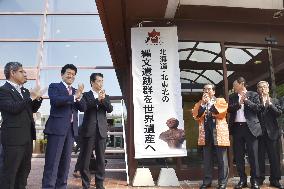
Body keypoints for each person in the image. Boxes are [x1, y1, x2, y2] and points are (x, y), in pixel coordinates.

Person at [42, 64, 86, 189]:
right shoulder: (54, 86)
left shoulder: (75, 92)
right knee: (52, 163)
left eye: (73, 74)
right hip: (56, 130)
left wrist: (79, 96)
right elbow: (56, 101)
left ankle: (61, 186)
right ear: (62, 74)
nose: (71, 76)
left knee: (65, 164)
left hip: (71, 132)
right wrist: (73, 97)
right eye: (68, 73)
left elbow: (83, 108)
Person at [0, 62, 43, 188]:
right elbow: (13, 108)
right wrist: (30, 97)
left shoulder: (24, 91)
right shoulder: (3, 90)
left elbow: (31, 109)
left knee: (24, 173)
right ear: (12, 73)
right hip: (13, 140)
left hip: (27, 138)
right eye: (22, 71)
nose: (25, 74)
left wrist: (38, 99)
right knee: (9, 173)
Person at [192, 83, 230, 189]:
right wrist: (204, 105)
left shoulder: (220, 101)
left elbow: (220, 113)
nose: (206, 91)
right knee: (207, 159)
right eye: (205, 89)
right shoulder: (200, 103)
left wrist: (209, 102)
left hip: (218, 132)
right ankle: (207, 181)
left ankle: (222, 183)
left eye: (209, 89)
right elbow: (196, 115)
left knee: (222, 159)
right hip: (206, 133)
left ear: (214, 91)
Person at [79, 73, 113, 189]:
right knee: (85, 160)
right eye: (98, 81)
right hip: (88, 130)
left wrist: (103, 100)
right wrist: (97, 100)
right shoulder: (86, 95)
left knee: (101, 159)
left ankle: (99, 184)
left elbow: (110, 109)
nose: (101, 83)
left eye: (102, 81)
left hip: (101, 131)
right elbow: (84, 107)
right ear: (92, 82)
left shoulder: (105, 95)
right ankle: (86, 184)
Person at [228, 77, 262, 189]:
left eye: (234, 85)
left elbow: (258, 108)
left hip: (250, 128)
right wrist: (239, 103)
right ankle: (242, 180)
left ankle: (255, 181)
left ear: (241, 84)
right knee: (238, 156)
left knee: (253, 155)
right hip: (237, 128)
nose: (233, 87)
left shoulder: (253, 94)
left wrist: (246, 101)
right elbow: (229, 109)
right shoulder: (232, 97)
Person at [256, 81, 284, 188]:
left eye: (264, 87)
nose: (262, 89)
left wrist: (270, 104)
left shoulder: (275, 101)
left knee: (274, 158)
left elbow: (278, 113)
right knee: (260, 158)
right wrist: (262, 103)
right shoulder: (256, 102)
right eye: (260, 87)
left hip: (273, 134)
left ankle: (275, 180)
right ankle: (260, 179)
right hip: (259, 134)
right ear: (258, 90)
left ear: (268, 88)